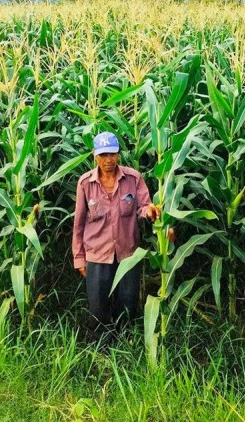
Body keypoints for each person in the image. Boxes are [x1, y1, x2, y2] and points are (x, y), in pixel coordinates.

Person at [72, 131, 160, 342]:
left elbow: (144, 206)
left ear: (119, 154)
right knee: (98, 303)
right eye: (103, 155)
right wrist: (79, 257)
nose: (108, 160)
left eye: (112, 154)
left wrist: (149, 212)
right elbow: (79, 223)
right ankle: (101, 346)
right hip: (97, 254)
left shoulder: (133, 178)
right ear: (95, 155)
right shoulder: (86, 183)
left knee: (128, 301)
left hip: (127, 253)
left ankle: (125, 341)